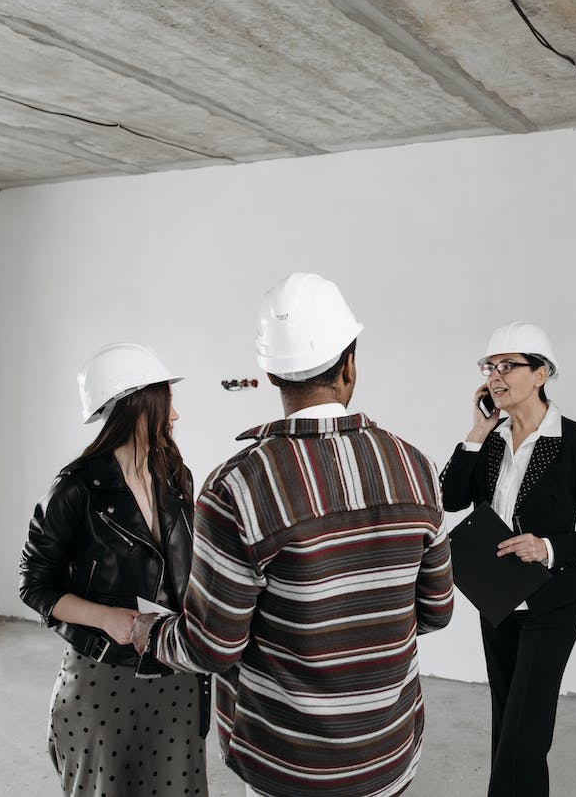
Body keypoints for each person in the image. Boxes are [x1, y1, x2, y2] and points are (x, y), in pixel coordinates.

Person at [131, 272, 454, 797]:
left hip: (286, 766)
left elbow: (212, 647)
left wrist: (145, 631)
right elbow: (437, 611)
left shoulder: (238, 487)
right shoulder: (415, 467)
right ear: (350, 365)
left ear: (270, 372)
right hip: (388, 754)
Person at [18, 342, 209, 796]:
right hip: (104, 679)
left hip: (174, 670)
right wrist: (109, 619)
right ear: (137, 405)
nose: (175, 417)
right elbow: (34, 584)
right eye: (167, 403)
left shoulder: (176, 476)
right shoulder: (76, 487)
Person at [440, 321, 576, 797]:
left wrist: (549, 547)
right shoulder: (490, 439)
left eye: (508, 366)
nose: (495, 376)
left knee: (525, 735)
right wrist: (476, 433)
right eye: (490, 367)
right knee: (507, 724)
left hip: (551, 605)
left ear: (541, 374)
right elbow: (451, 498)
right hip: (497, 601)